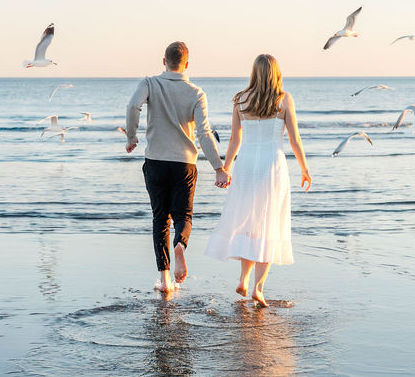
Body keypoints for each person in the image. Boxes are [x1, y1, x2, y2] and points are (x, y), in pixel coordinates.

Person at [204, 54, 312, 307]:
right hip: (272, 165)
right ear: (276, 72)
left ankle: (243, 279)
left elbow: (234, 139)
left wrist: (226, 168)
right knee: (269, 224)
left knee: (249, 222)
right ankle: (258, 288)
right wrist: (305, 169)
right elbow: (295, 139)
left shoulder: (241, 99)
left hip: (246, 165)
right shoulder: (283, 99)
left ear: (254, 72)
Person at [126, 41, 229, 294]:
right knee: (184, 216)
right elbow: (204, 134)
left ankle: (164, 280)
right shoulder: (196, 93)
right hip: (185, 163)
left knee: (160, 219)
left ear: (164, 61)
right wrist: (218, 167)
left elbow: (133, 107)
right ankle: (180, 245)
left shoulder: (149, 83)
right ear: (187, 64)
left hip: (156, 161)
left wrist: (131, 136)